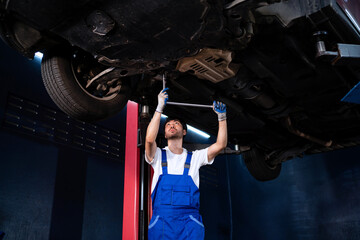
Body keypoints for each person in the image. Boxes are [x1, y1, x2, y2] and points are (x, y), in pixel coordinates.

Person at [145, 88, 228, 240]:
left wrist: (222, 118)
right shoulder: (157, 156)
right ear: (164, 133)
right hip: (161, 223)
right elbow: (150, 140)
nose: (171, 125)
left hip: (189, 224)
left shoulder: (195, 158)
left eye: (176, 123)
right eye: (168, 124)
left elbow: (220, 145)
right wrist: (159, 108)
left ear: (184, 131)